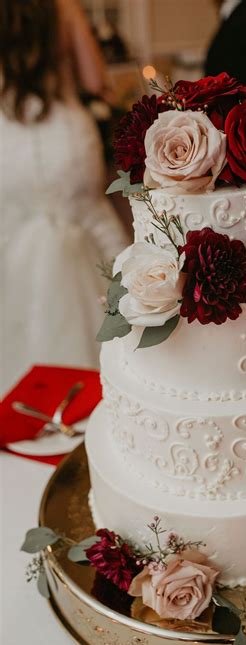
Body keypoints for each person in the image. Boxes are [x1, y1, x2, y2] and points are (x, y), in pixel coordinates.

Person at [0, 0, 128, 393]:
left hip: (9, 142)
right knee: (92, 226)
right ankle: (120, 364)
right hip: (67, 138)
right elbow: (94, 80)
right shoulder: (61, 6)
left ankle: (28, 380)